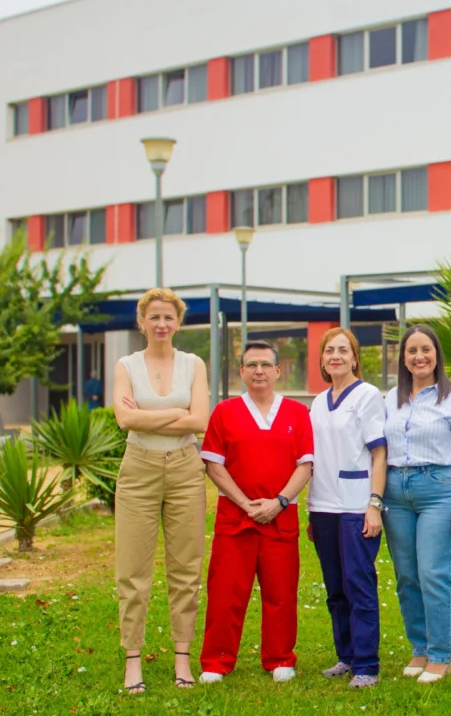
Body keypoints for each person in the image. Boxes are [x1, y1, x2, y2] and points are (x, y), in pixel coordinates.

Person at [197, 340, 314, 685]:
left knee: (281, 592)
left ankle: (279, 659)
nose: (258, 371)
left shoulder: (296, 413)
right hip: (236, 518)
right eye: (251, 365)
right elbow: (213, 465)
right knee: (225, 592)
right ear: (241, 372)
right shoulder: (225, 412)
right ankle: (216, 662)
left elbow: (305, 465)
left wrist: (278, 502)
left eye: (265, 364)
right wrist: (245, 503)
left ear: (278, 371)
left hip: (280, 516)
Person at [112, 288, 210, 693]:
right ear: (142, 321)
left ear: (178, 322)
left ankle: (182, 657)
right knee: (133, 569)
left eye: (168, 317)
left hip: (186, 469)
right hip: (139, 468)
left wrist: (147, 414)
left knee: (185, 567)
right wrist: (176, 413)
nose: (161, 324)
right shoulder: (126, 365)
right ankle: (133, 659)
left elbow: (200, 421)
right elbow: (123, 419)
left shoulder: (193, 364)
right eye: (154, 317)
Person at [382, 325, 451, 684]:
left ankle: (441, 655)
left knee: (433, 573)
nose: (419, 357)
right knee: (407, 575)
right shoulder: (391, 398)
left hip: (439, 490)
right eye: (411, 351)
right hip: (396, 491)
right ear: (403, 358)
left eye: (426, 349)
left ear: (437, 354)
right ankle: (419, 649)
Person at [307, 328, 388, 689]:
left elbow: (379, 453)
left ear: (355, 358)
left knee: (359, 585)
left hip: (356, 504)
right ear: (322, 359)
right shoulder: (319, 401)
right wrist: (311, 509)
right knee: (335, 587)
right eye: (329, 351)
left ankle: (367, 665)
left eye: (343, 350)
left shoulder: (368, 396)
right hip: (323, 506)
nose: (335, 356)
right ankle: (347, 656)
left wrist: (374, 505)